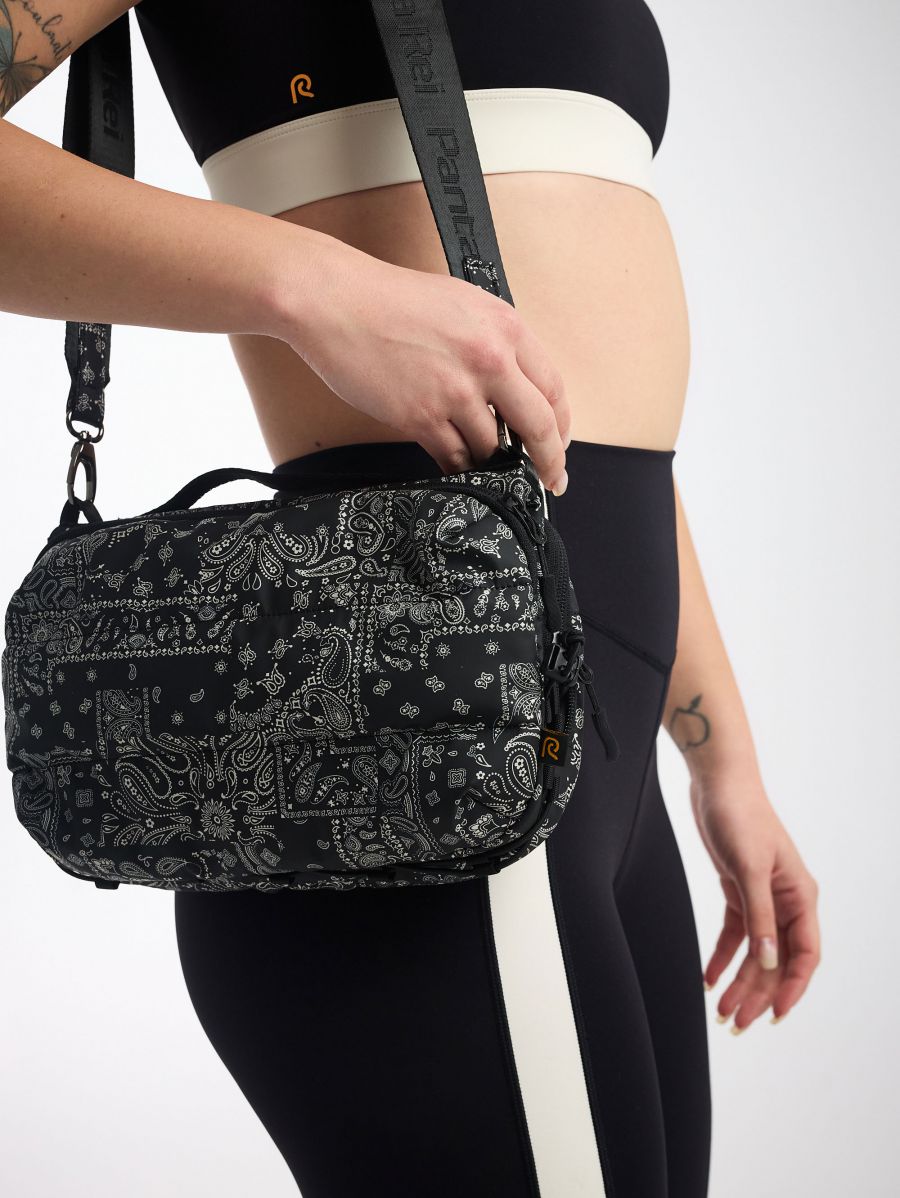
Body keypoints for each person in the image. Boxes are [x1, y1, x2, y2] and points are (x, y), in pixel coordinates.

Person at [1, 1, 822, 1195]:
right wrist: (313, 288)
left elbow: (572, 430)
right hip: (416, 745)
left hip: (572, 762)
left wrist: (721, 758)